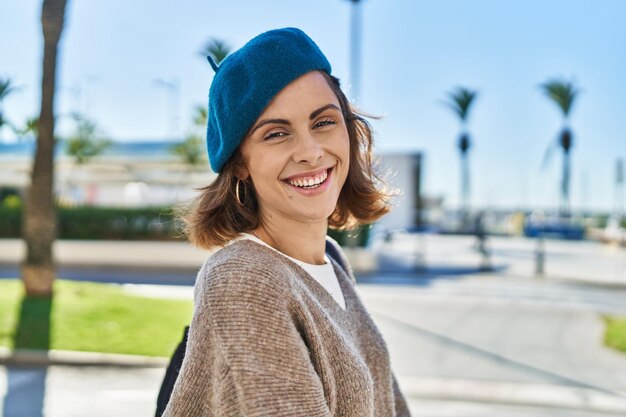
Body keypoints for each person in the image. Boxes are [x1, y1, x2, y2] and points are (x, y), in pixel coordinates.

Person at [162, 27, 411, 416]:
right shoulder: (244, 277)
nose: (310, 153)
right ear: (241, 162)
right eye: (277, 134)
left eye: (324, 122)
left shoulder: (331, 261)